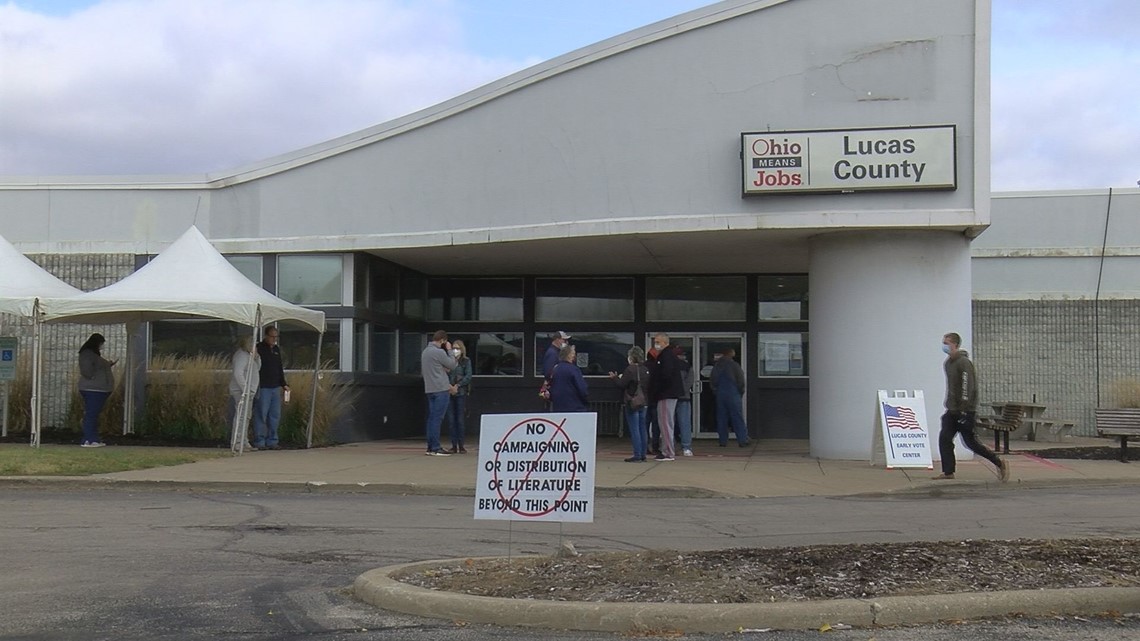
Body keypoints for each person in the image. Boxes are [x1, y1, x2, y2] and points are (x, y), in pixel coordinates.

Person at [934, 332, 1009, 481]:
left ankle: (999, 462)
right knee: (945, 438)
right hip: (952, 409)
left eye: (946, 343)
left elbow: (966, 387)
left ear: (955, 344)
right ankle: (948, 471)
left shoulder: (963, 363)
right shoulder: (948, 363)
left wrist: (964, 408)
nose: (944, 346)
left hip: (965, 410)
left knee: (971, 443)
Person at [609, 346, 650, 462]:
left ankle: (637, 454)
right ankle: (643, 454)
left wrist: (615, 378)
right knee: (643, 428)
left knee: (634, 429)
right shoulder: (645, 369)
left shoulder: (630, 369)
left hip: (632, 402)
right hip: (644, 401)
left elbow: (622, 384)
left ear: (631, 357)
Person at [421, 330, 458, 456]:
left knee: (431, 419)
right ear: (442, 340)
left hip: (430, 388)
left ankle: (430, 447)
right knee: (437, 419)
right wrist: (450, 350)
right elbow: (452, 365)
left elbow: (435, 367)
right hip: (441, 389)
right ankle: (436, 447)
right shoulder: (439, 351)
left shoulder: (425, 352)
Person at [648, 333, 683, 461]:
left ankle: (668, 451)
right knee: (667, 422)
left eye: (658, 342)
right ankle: (667, 450)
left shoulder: (665, 355)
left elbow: (665, 374)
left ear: (665, 342)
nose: (656, 344)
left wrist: (657, 389)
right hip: (669, 393)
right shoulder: (669, 355)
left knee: (665, 423)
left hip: (665, 394)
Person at [253, 326, 288, 450]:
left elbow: (279, 367)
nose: (274, 339)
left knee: (274, 415)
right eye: (272, 337)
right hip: (263, 386)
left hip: (275, 386)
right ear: (266, 336)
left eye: (276, 337)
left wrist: (284, 383)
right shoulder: (259, 348)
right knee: (261, 413)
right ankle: (259, 440)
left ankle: (272, 440)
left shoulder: (276, 349)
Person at [77, 333, 114, 447]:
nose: (102, 346)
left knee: (93, 414)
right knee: (91, 414)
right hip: (93, 389)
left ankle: (92, 439)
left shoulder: (92, 354)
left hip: (97, 388)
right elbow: (86, 370)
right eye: (101, 343)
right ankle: (89, 439)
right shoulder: (87, 354)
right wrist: (92, 377)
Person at [711, 347, 750, 447]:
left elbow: (713, 380)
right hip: (733, 394)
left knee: (722, 418)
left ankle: (722, 441)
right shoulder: (734, 365)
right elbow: (741, 380)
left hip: (721, 394)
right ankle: (742, 440)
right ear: (731, 354)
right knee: (737, 417)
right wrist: (741, 392)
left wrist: (716, 391)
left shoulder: (717, 365)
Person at [228, 335, 261, 451]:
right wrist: (245, 388)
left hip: (250, 391)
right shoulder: (242, 355)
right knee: (241, 416)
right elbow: (238, 373)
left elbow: (258, 367)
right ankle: (237, 442)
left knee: (246, 416)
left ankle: (244, 440)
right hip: (242, 391)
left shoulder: (249, 356)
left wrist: (256, 357)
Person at [446, 339, 473, 454]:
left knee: (460, 419)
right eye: (453, 348)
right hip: (449, 392)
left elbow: (468, 376)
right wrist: (449, 386)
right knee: (451, 420)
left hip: (461, 392)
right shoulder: (448, 361)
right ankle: (453, 445)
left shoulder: (466, 361)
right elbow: (444, 374)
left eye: (457, 348)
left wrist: (458, 385)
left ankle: (461, 445)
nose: (455, 350)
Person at [549, 344, 588, 412]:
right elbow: (582, 389)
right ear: (570, 355)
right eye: (573, 353)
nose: (574, 356)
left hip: (558, 407)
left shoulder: (555, 369)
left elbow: (551, 386)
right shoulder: (574, 370)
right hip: (575, 407)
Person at [674, 346, 695, 456]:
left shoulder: (670, 366)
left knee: (669, 423)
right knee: (685, 423)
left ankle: (670, 446)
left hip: (671, 397)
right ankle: (686, 447)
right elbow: (690, 380)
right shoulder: (687, 366)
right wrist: (683, 391)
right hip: (684, 398)